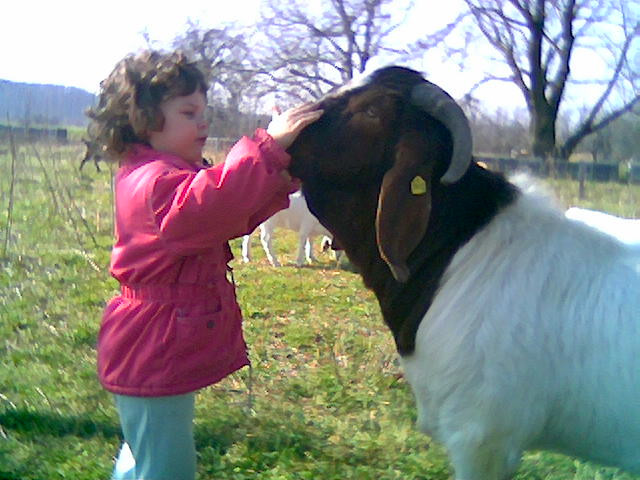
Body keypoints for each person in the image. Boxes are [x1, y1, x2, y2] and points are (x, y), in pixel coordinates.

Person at [85, 50, 322, 480]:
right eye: (189, 112)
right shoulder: (158, 183)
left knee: (147, 453)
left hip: (151, 344)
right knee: (166, 469)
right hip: (152, 346)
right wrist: (269, 148)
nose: (203, 122)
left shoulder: (155, 173)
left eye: (204, 111)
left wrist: (279, 181)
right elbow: (216, 202)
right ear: (145, 118)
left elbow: (219, 219)